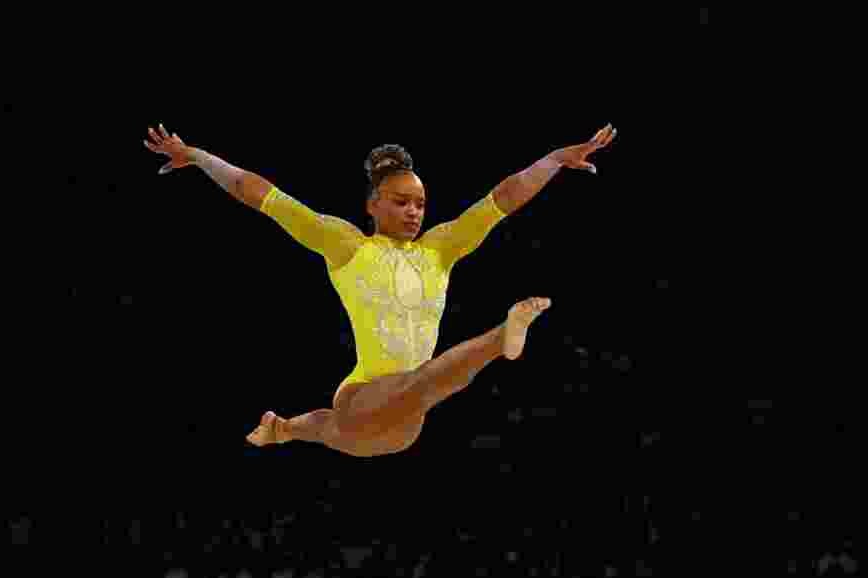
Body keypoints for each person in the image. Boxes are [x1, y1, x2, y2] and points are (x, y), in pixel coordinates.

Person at [143, 123, 616, 457]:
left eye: (421, 204)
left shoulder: (440, 249)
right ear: (373, 204)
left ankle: (281, 430)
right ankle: (500, 339)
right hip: (364, 396)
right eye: (401, 202)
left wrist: (553, 160)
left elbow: (502, 198)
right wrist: (199, 157)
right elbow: (263, 195)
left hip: (401, 429)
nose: (414, 212)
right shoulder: (347, 245)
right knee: (418, 383)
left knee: (333, 425)